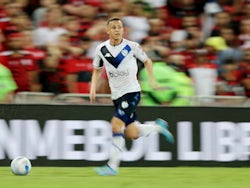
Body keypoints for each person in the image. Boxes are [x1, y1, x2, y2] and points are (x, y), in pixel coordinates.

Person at [89, 17, 174, 176]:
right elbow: (97, 70)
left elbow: (148, 61)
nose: (117, 30)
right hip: (116, 96)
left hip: (131, 92)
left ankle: (112, 167)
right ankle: (157, 127)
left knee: (115, 125)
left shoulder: (131, 46)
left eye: (119, 27)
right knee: (132, 133)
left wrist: (153, 81)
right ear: (107, 31)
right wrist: (93, 88)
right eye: (113, 27)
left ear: (123, 30)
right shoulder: (101, 49)